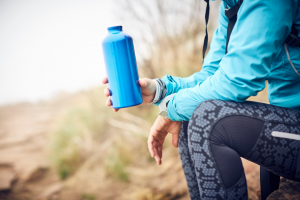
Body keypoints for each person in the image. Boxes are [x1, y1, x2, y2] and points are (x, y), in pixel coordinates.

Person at [103, 0, 300, 199]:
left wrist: (170, 109)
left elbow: (237, 80)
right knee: (192, 113)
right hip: (291, 118)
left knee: (207, 118)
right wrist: (158, 90)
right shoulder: (232, 6)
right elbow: (212, 73)